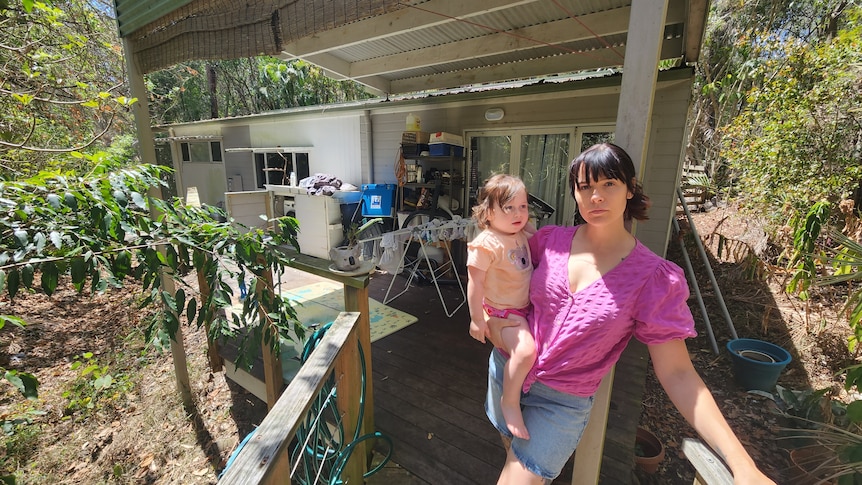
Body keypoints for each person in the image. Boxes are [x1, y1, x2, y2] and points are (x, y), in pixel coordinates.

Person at [484, 143, 776, 484]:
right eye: (585, 186)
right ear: (575, 195)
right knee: (511, 452)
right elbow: (502, 281)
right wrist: (489, 322)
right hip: (505, 372)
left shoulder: (653, 278)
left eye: (609, 184)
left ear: (630, 189)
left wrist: (742, 465)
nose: (596, 196)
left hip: (560, 404)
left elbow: (679, 373)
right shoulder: (548, 241)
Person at [467, 174, 537, 440]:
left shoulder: (520, 231)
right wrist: (477, 320)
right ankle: (509, 402)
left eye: (523, 206)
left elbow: (545, 239)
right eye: (509, 207)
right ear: (488, 212)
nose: (519, 213)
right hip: (503, 312)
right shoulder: (486, 243)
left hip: (523, 307)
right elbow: (475, 284)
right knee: (526, 352)